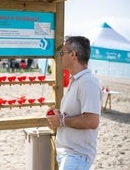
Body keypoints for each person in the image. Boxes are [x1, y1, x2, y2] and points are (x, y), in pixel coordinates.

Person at [46, 36, 102, 170]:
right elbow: (78, 114)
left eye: (62, 52)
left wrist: (61, 120)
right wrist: (61, 115)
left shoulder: (88, 82)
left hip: (76, 156)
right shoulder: (77, 80)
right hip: (70, 155)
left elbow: (91, 121)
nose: (60, 56)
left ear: (73, 55)